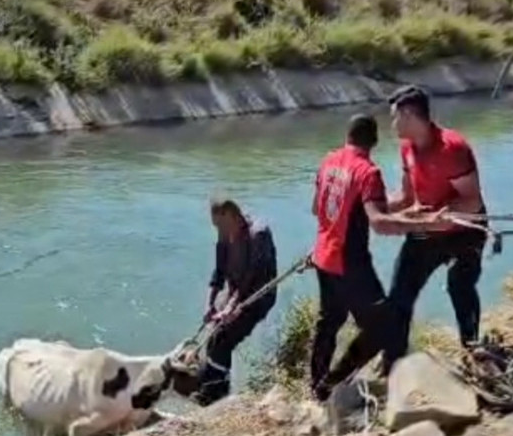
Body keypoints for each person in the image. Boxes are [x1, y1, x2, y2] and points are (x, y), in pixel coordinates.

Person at [309, 113, 446, 402]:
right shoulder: (367, 172)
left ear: (348, 136)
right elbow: (379, 223)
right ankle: (332, 382)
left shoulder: (329, 161)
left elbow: (318, 209)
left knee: (329, 322)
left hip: (323, 257)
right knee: (383, 327)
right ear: (373, 141)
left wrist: (406, 211)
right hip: (349, 262)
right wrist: (426, 224)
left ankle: (316, 385)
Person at [381, 85, 488, 376]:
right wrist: (371, 208)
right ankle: (392, 365)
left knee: (459, 286)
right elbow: (405, 197)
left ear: (409, 115)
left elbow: (472, 200)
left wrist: (448, 215)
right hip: (426, 232)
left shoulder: (451, 148)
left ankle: (473, 349)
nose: (391, 125)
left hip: (465, 231)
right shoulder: (407, 148)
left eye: (394, 117)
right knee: (399, 296)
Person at [192, 198, 278, 406]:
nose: (218, 231)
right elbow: (219, 272)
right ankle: (213, 382)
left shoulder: (258, 234)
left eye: (220, 225)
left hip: (257, 296)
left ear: (231, 215)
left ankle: (218, 394)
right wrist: (210, 304)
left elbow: (251, 278)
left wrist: (231, 308)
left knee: (224, 339)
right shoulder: (224, 235)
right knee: (213, 335)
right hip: (234, 291)